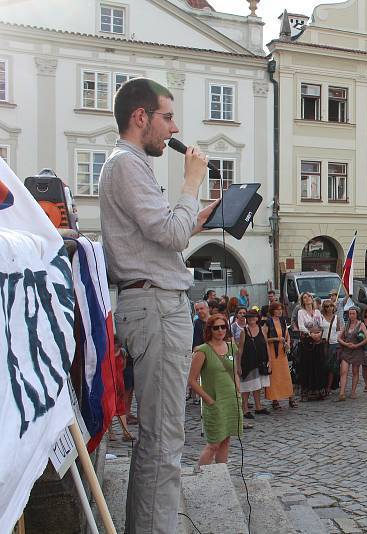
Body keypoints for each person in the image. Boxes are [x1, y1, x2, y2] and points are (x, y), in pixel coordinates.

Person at [101, 77, 223, 532]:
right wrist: (190, 184)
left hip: (154, 304)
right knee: (163, 436)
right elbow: (169, 235)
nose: (174, 128)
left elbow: (161, 234)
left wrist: (198, 217)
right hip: (154, 307)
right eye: (167, 116)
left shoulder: (128, 166)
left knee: (160, 435)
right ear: (140, 117)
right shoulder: (127, 165)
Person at [188, 314, 243, 466]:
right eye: (216, 327)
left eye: (223, 327)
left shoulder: (232, 347)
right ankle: (200, 476)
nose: (220, 330)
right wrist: (208, 399)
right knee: (213, 443)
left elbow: (234, 371)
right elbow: (192, 380)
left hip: (231, 399)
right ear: (210, 330)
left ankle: (221, 475)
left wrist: (238, 388)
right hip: (214, 402)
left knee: (226, 440)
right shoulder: (202, 351)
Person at [236, 310, 269, 422]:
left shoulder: (262, 329)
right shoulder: (244, 331)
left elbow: (266, 345)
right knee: (246, 387)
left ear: (257, 318)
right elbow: (240, 349)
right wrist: (238, 365)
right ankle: (245, 409)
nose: (251, 319)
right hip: (248, 362)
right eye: (249, 317)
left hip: (260, 361)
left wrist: (269, 361)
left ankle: (258, 407)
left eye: (253, 317)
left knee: (257, 386)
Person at [263, 302, 296, 409]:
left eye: (281, 309)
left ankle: (291, 398)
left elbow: (287, 335)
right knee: (274, 377)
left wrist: (287, 344)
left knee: (286, 376)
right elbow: (264, 339)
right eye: (277, 309)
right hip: (272, 352)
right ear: (273, 310)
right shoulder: (268, 322)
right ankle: (275, 400)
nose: (280, 311)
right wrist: (276, 339)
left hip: (282, 353)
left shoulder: (282, 321)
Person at [337, 308, 367, 401]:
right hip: (346, 351)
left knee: (355, 372)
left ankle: (353, 391)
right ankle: (342, 392)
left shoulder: (361, 324)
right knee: (344, 372)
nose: (351, 315)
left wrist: (357, 345)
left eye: (353, 313)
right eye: (350, 313)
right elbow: (339, 338)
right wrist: (346, 344)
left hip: (357, 351)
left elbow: (366, 338)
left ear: (356, 314)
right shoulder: (346, 325)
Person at [297, 324, 327, 401]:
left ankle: (318, 392)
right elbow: (299, 326)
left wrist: (319, 333)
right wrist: (311, 334)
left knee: (318, 369)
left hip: (318, 345)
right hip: (305, 345)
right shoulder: (300, 312)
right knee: (306, 369)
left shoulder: (317, 312)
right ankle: (307, 392)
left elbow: (322, 326)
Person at [320, 299, 342, 398]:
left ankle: (328, 387)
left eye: (330, 306)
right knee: (323, 365)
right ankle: (322, 385)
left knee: (332, 367)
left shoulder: (336, 318)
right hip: (323, 344)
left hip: (334, 344)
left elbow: (339, 331)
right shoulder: (320, 317)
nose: (329, 308)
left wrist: (339, 345)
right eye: (326, 306)